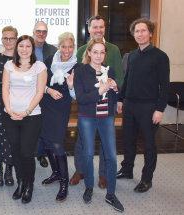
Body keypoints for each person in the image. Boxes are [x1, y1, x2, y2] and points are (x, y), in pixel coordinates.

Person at [116, 18, 170, 193]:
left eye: (143, 31)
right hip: (130, 105)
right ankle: (127, 170)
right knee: (129, 141)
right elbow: (127, 80)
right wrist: (120, 99)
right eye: (137, 31)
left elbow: (165, 85)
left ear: (151, 33)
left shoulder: (161, 56)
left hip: (149, 107)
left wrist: (160, 109)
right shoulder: (131, 56)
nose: (139, 34)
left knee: (148, 145)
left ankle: (147, 179)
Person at [71, 15, 124, 188]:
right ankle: (81, 170)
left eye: (101, 27)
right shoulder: (81, 51)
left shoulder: (114, 49)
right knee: (82, 141)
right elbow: (79, 77)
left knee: (106, 142)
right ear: (89, 29)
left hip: (108, 102)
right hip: (87, 105)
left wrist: (118, 97)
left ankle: (102, 174)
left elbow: (119, 75)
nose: (98, 30)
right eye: (95, 27)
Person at [2, 35, 47, 204]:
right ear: (17, 48)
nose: (24, 49)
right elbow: (5, 88)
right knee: (15, 151)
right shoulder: (9, 65)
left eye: (28, 46)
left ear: (32, 48)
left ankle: (29, 185)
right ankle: (20, 183)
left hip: (32, 116)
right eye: (21, 46)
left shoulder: (39, 67)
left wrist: (27, 111)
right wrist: (9, 108)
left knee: (27, 153)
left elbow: (39, 92)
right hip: (11, 115)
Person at [39, 32, 79, 202]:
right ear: (59, 46)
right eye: (64, 46)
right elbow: (41, 82)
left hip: (61, 108)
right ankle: (55, 173)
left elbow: (76, 94)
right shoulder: (49, 60)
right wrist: (49, 90)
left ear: (74, 47)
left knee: (57, 143)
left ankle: (64, 182)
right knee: (46, 140)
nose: (67, 50)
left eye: (70, 46)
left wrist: (70, 87)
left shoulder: (78, 66)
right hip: (46, 104)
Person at [0, 26, 17, 187]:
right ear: (2, 40)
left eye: (11, 38)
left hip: (16, 104)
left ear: (16, 40)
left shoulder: (22, 58)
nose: (8, 41)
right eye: (5, 38)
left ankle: (9, 169)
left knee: (12, 137)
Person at [33, 21, 57, 168]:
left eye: (44, 31)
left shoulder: (53, 50)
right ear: (33, 32)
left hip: (47, 92)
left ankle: (41, 154)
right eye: (38, 31)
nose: (41, 34)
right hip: (28, 92)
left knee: (44, 124)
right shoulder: (25, 47)